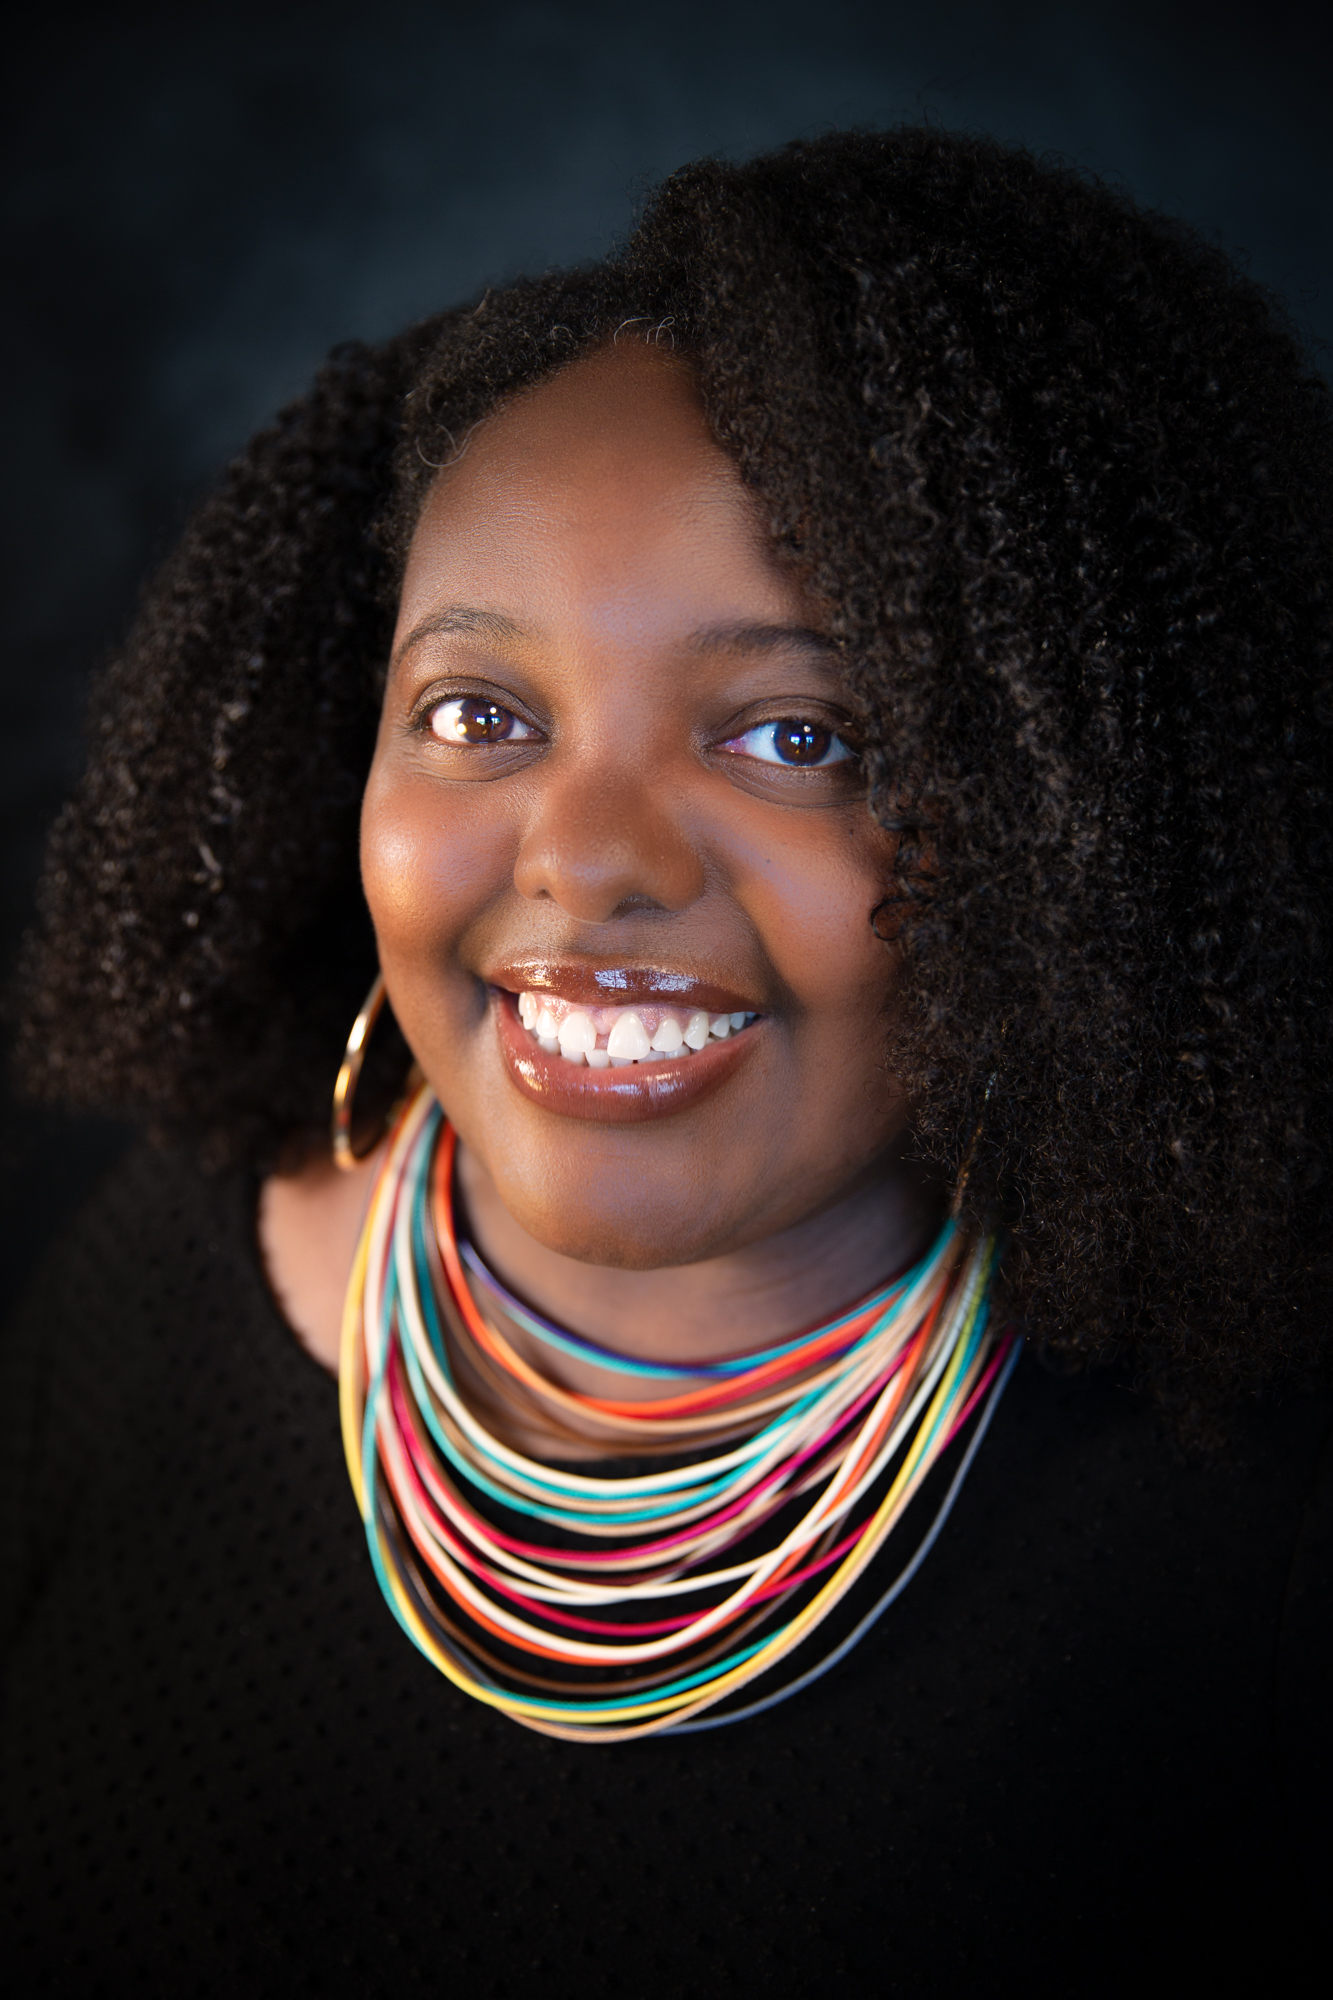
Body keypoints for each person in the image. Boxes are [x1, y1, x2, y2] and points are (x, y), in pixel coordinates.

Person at [3, 126, 1329, 1991]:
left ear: (1073, 827)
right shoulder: (119, 1282)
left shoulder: (1245, 1534)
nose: (590, 857)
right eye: (477, 712)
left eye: (793, 736)